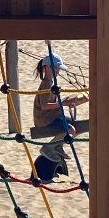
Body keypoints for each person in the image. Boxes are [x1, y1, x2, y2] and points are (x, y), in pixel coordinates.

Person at [29, 53, 84, 183]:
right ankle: (48, 147)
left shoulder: (51, 82)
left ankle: (57, 145)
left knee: (79, 127)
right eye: (57, 68)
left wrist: (73, 101)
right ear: (47, 67)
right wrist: (62, 103)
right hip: (45, 119)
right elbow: (44, 105)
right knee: (70, 130)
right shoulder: (46, 84)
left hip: (53, 116)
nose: (59, 71)